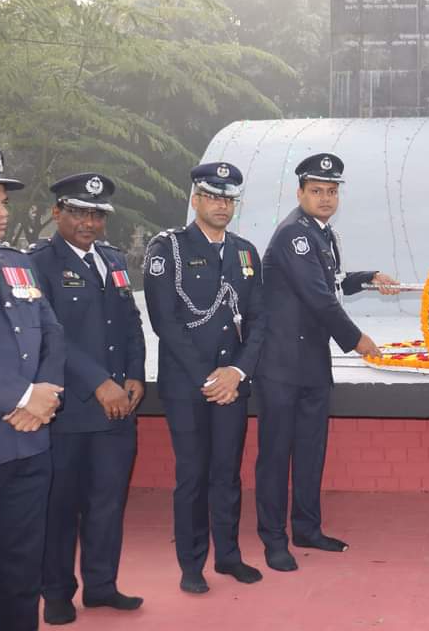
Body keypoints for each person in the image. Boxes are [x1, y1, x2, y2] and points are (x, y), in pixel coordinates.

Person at [255, 152, 398, 573]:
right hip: (280, 366)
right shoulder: (293, 236)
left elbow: (331, 283)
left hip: (313, 363)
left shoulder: (322, 234)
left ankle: (306, 528)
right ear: (299, 193)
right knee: (276, 454)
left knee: (311, 451)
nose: (325, 198)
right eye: (316, 191)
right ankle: (273, 540)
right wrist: (357, 341)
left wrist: (367, 278)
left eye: (332, 191)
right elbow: (317, 298)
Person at [143, 162, 267, 594]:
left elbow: (257, 319)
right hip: (188, 386)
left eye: (229, 198)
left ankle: (228, 556)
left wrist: (235, 372)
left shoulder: (246, 252)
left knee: (227, 474)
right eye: (213, 197)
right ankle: (191, 564)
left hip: (232, 384)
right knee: (193, 475)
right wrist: (208, 378)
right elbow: (166, 322)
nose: (222, 205)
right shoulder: (168, 248)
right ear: (195, 199)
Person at [29, 174, 145, 624]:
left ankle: (101, 585)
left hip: (118, 410)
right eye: (78, 212)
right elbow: (48, 334)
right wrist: (99, 382)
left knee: (107, 503)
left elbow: (131, 324)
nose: (88, 222)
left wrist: (135, 375)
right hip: (69, 411)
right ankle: (56, 593)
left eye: (97, 214)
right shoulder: (39, 263)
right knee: (61, 506)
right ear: (58, 213)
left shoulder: (114, 261)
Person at [0, 146, 65, 631]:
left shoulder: (16, 263)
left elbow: (52, 333)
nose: (1, 212)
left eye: (2, 202)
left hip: (29, 445)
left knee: (19, 572)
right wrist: (21, 398)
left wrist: (45, 392)